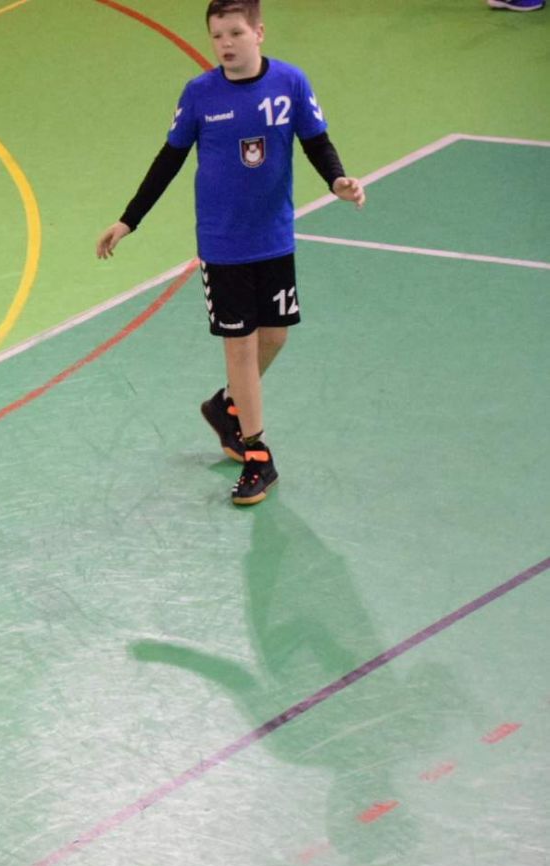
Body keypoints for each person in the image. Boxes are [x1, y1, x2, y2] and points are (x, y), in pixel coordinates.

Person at [95, 0, 365, 505]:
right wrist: (129, 219)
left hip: (274, 236)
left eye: (236, 33)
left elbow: (316, 141)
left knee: (275, 336)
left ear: (259, 33)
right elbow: (170, 159)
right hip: (223, 244)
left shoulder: (290, 83)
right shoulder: (200, 94)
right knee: (239, 345)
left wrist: (337, 180)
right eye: (217, 35)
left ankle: (226, 406)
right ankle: (259, 456)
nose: (225, 44)